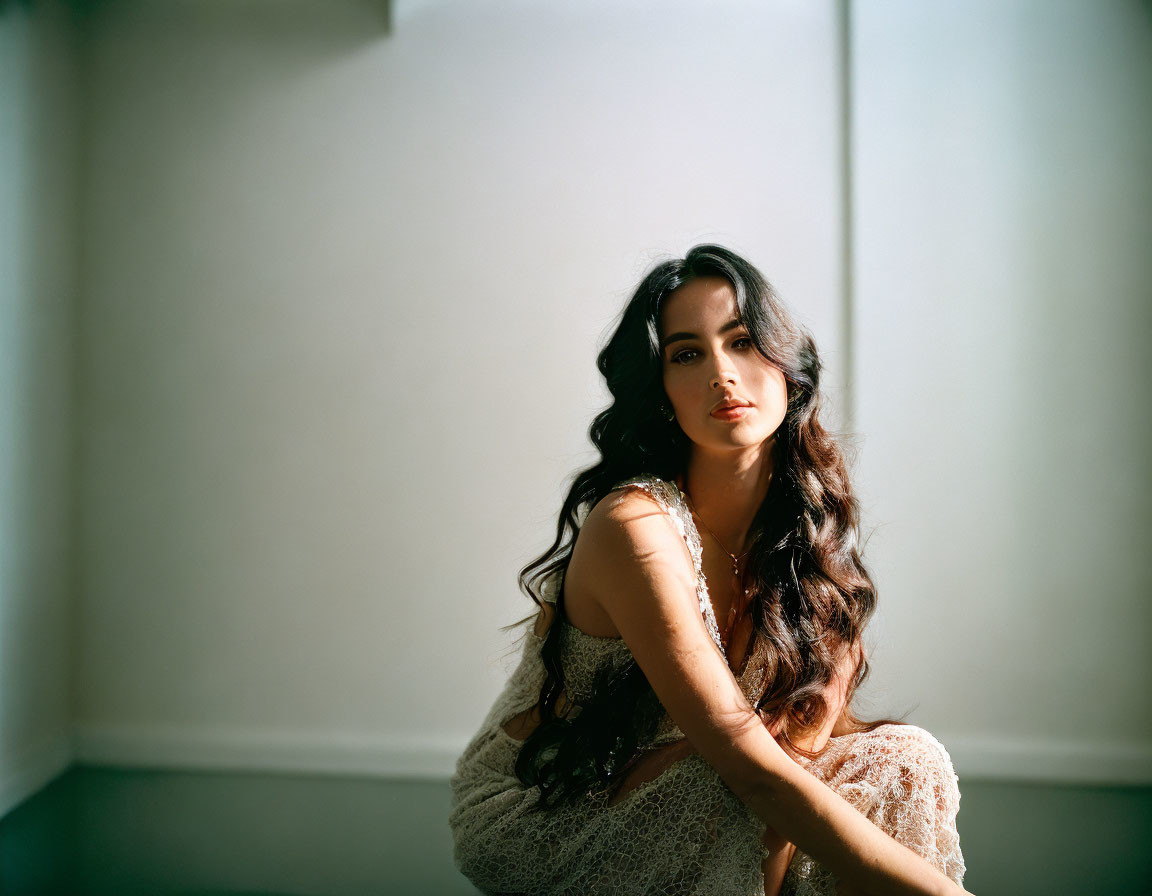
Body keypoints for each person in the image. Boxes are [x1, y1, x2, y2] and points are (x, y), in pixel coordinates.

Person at [449, 244, 969, 896]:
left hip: (726, 781)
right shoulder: (633, 527)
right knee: (725, 779)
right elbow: (748, 766)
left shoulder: (810, 540)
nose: (723, 374)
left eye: (744, 341)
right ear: (661, 389)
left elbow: (798, 752)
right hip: (554, 798)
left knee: (904, 759)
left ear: (788, 365)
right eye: (687, 354)